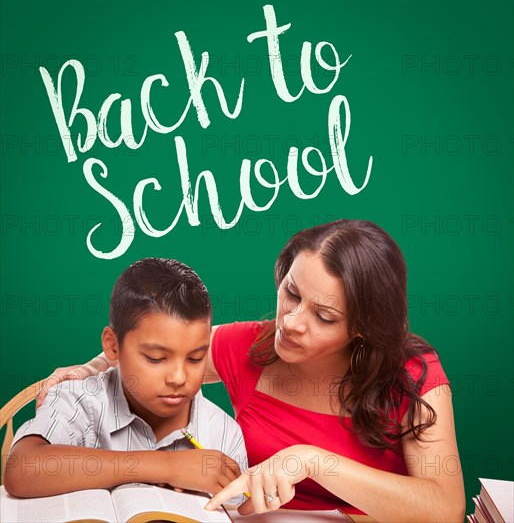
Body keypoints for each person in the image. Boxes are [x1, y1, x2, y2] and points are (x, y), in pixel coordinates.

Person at [35, 220, 465, 521]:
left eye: (325, 316)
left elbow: (445, 508)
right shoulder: (253, 345)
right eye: (291, 293)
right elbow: (155, 355)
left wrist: (311, 461)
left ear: (363, 329)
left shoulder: (413, 372)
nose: (291, 321)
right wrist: (88, 369)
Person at [5, 258, 247, 498]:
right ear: (113, 346)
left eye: (195, 358)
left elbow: (238, 513)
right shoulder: (80, 400)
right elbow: (21, 469)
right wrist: (166, 466)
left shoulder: (224, 433)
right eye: (155, 358)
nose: (178, 378)